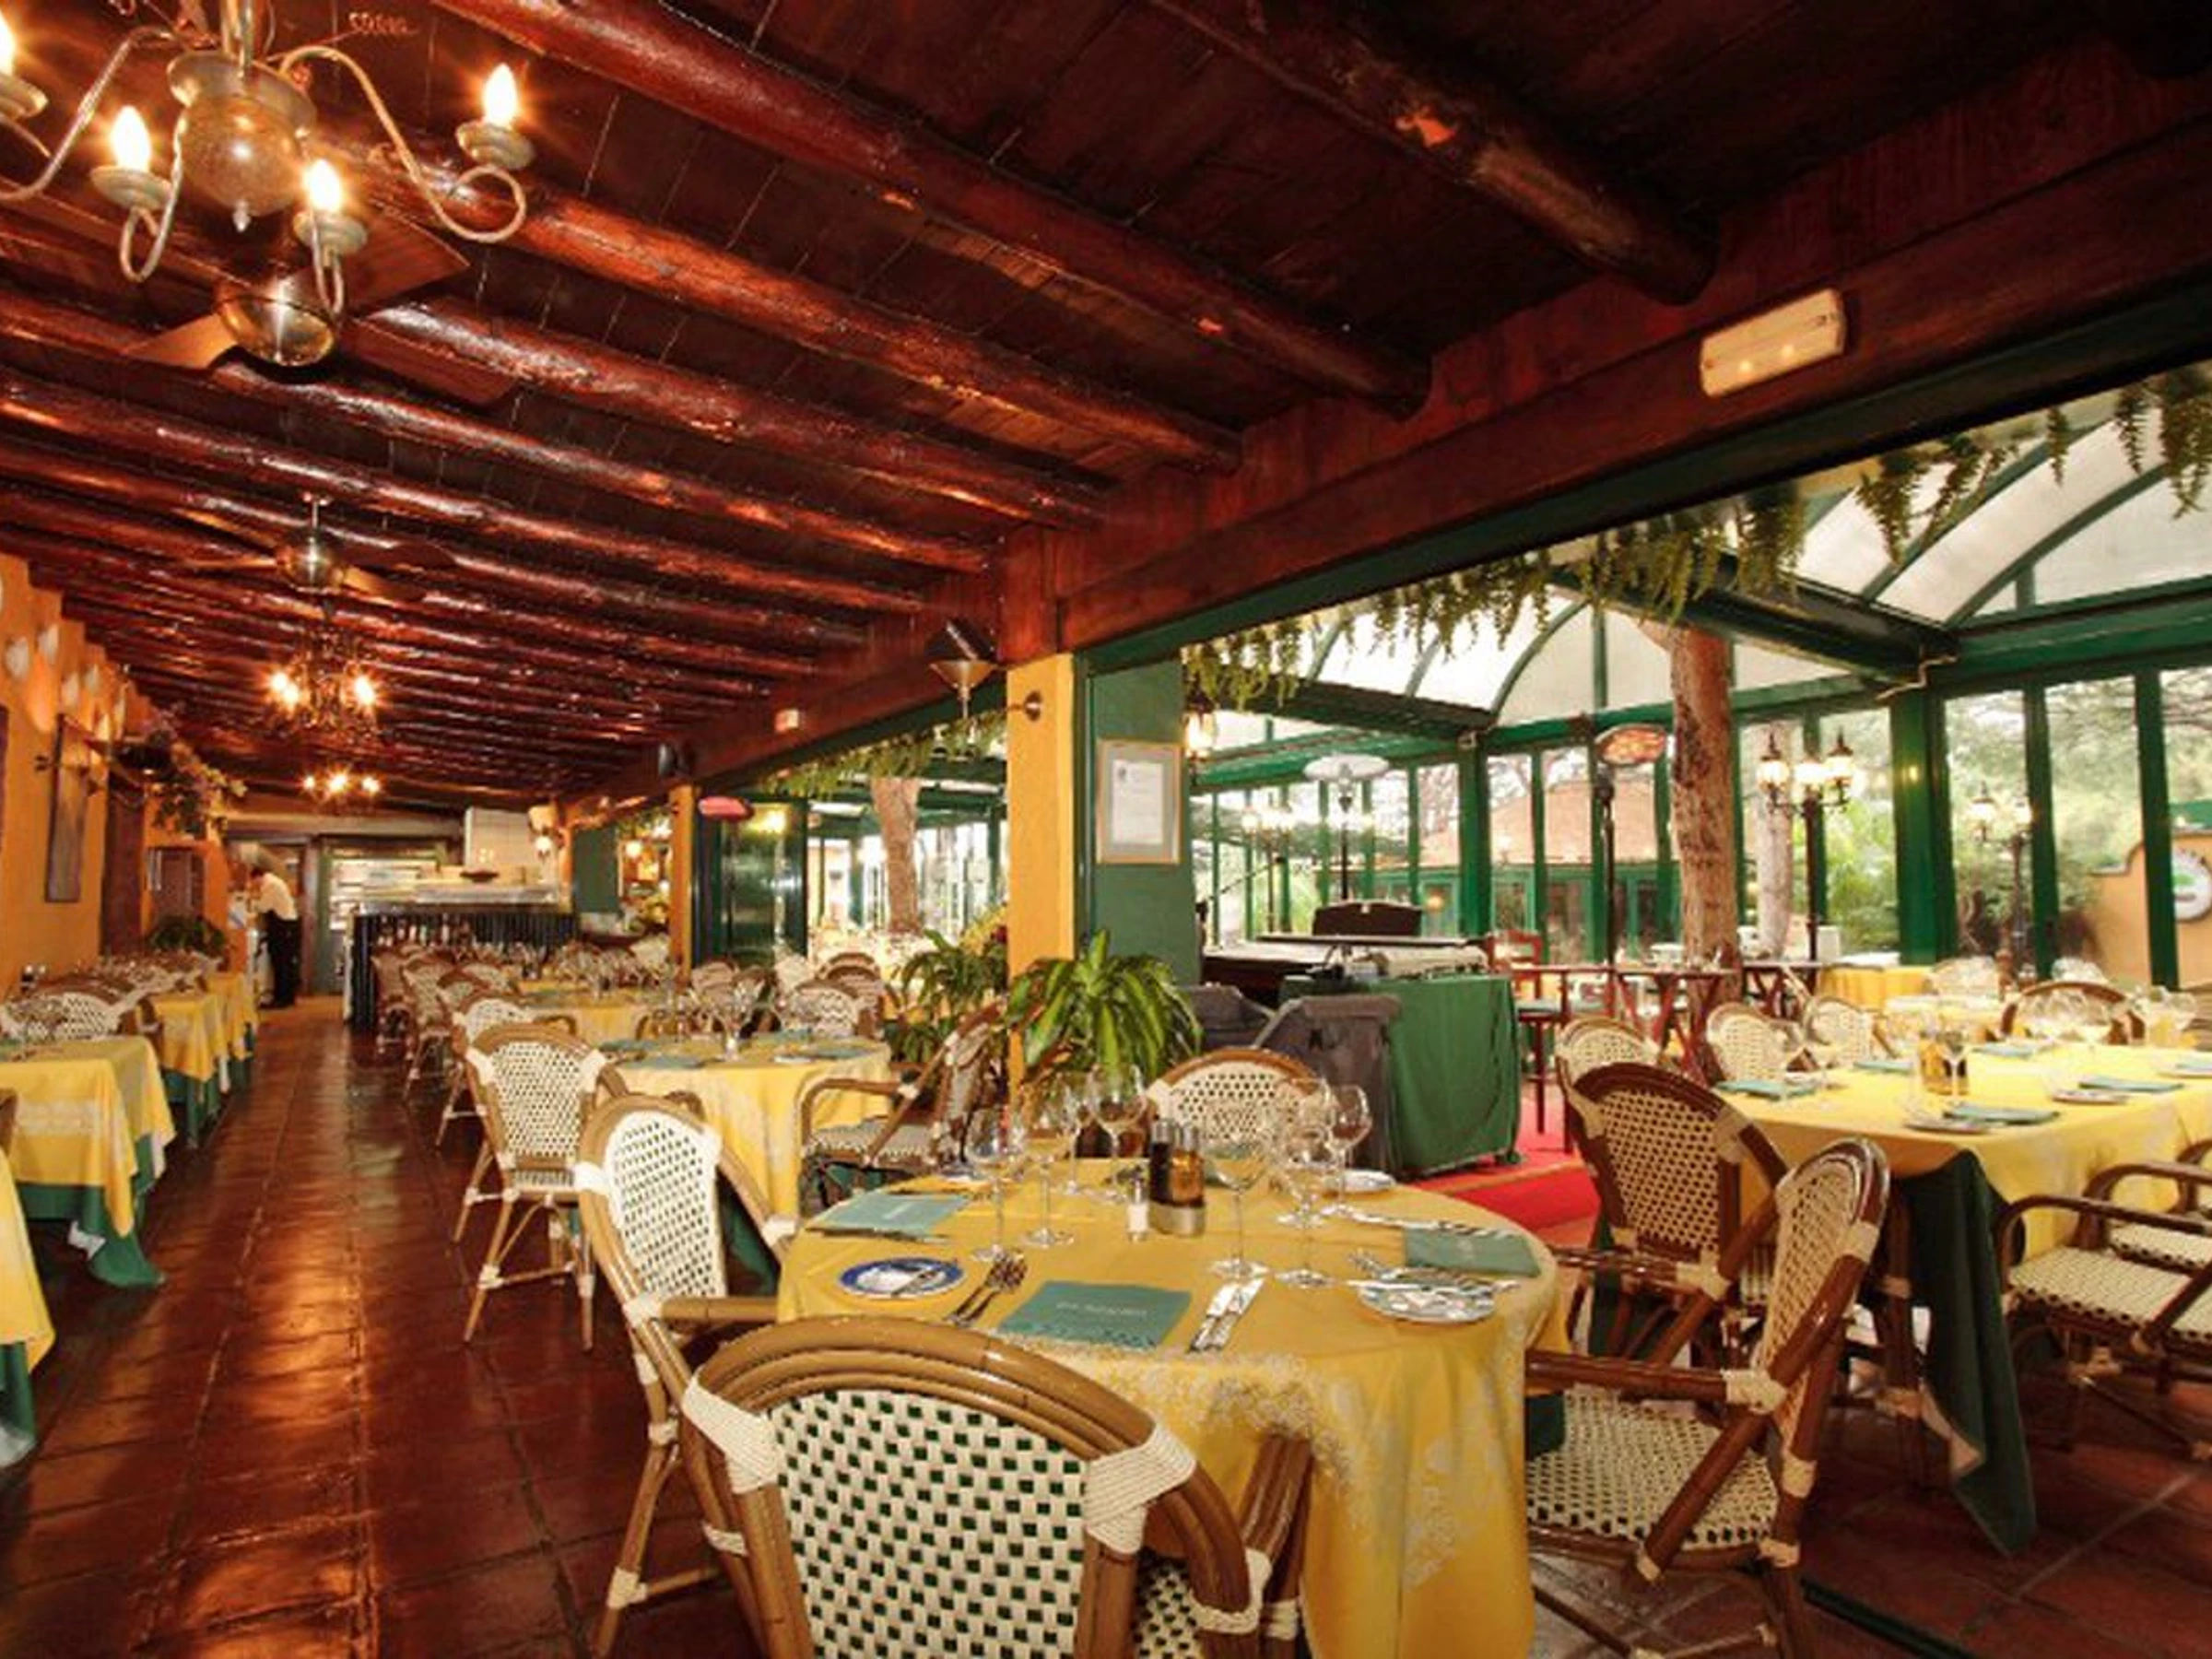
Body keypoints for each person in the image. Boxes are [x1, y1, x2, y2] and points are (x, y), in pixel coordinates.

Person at [255, 857, 301, 1008]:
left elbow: (263, 907)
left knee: (281, 964)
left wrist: (253, 900)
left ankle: (282, 999)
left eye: (254, 882)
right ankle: (286, 997)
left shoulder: (270, 885)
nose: (255, 885)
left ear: (257, 877)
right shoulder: (276, 882)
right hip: (287, 926)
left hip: (283, 927)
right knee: (285, 963)